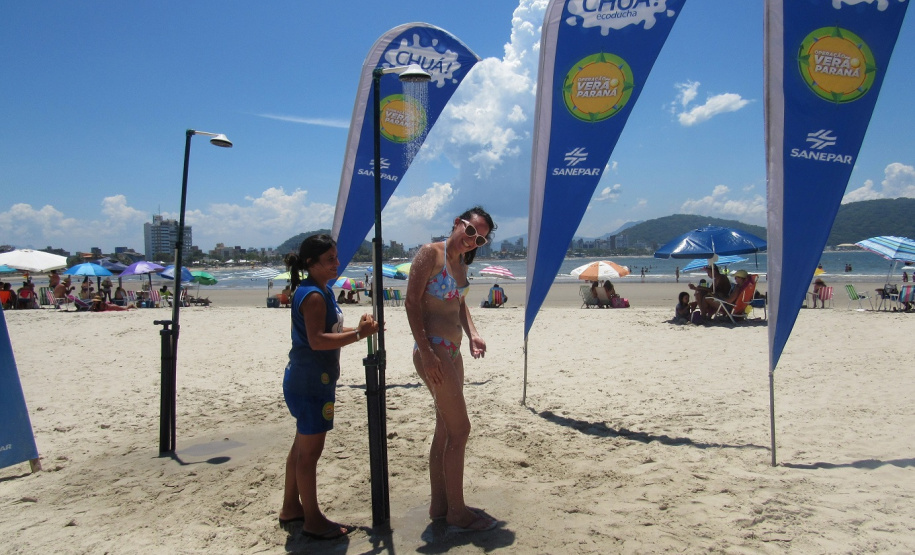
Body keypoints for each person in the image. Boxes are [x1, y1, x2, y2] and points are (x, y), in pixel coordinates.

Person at [405, 206, 498, 532]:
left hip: (453, 351)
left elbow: (459, 304)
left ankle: (440, 505)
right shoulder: (430, 254)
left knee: (446, 429)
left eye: (481, 238)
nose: (473, 240)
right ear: (458, 223)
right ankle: (457, 512)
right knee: (460, 430)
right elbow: (411, 302)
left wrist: (473, 334)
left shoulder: (459, 264)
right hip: (432, 350)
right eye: (471, 231)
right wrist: (427, 353)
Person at [278, 234, 378, 540]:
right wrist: (360, 336)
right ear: (311, 264)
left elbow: (329, 330)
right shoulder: (314, 295)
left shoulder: (320, 290)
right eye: (330, 259)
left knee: (301, 448)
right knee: (310, 453)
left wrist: (360, 329)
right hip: (310, 383)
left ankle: (290, 508)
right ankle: (312, 519)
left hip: (307, 378)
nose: (336, 263)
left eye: (336, 257)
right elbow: (317, 341)